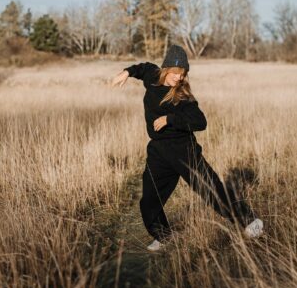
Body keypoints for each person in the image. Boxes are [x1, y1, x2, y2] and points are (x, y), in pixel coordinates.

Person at [111, 44, 263, 252]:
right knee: (149, 199)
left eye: (182, 74)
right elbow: (143, 67)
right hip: (158, 152)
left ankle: (249, 221)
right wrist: (127, 72)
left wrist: (170, 119)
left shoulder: (183, 96)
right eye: (175, 73)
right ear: (166, 69)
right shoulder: (153, 78)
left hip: (184, 150)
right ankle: (163, 236)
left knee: (210, 189)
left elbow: (200, 122)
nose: (178, 78)